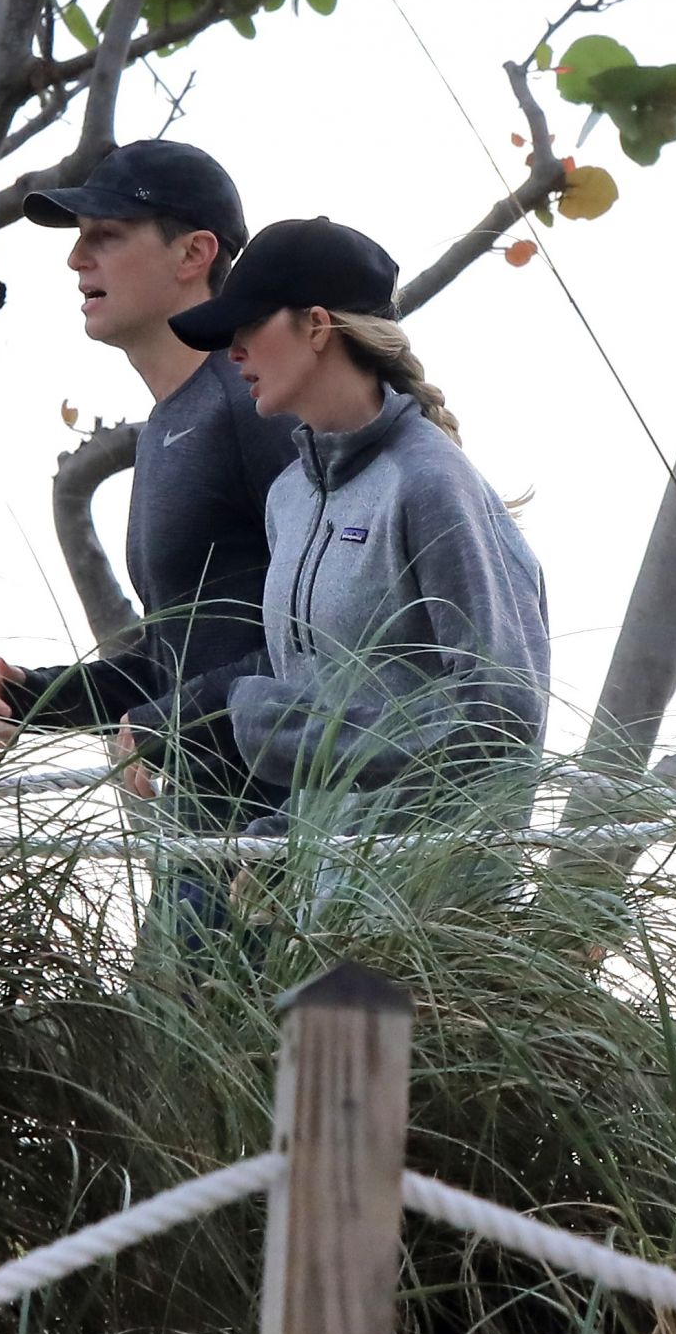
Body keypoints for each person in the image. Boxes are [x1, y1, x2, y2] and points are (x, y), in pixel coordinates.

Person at [0, 141, 298, 944]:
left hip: (282, 854)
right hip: (198, 842)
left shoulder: (259, 409)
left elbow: (330, 638)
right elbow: (176, 653)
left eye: (107, 234)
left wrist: (175, 717)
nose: (77, 258)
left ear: (195, 253)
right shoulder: (168, 426)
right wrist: (41, 698)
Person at [167, 217, 550, 884]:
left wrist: (292, 735)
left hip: (437, 926)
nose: (232, 352)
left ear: (316, 327)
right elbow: (342, 710)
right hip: (323, 928)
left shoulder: (430, 482)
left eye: (248, 325)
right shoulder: (288, 498)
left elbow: (502, 713)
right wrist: (282, 842)